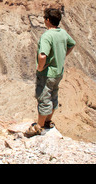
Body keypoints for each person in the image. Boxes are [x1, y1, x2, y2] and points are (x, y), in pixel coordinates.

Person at [25, 8, 76, 137]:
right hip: (58, 72)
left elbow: (43, 55)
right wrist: (62, 56)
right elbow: (72, 44)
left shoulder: (47, 36)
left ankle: (39, 126)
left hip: (47, 73)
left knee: (43, 97)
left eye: (44, 18)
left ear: (47, 20)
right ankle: (48, 121)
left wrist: (40, 68)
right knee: (53, 96)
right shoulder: (63, 33)